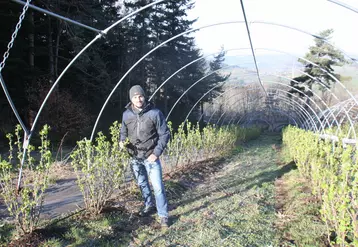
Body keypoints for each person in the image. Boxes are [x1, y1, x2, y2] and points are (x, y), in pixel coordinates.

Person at [120, 85, 170, 228]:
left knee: (158, 187)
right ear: (131, 99)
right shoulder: (126, 115)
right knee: (142, 184)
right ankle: (149, 206)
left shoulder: (155, 113)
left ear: (144, 96)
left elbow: (165, 134)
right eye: (135, 97)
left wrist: (156, 153)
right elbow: (123, 132)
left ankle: (163, 215)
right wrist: (122, 141)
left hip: (150, 157)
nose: (138, 99)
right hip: (135, 157)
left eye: (140, 96)